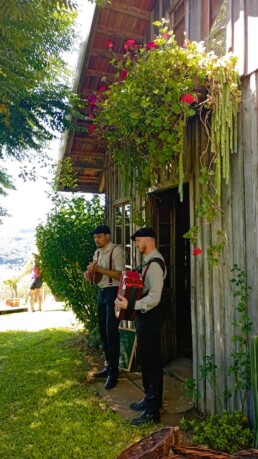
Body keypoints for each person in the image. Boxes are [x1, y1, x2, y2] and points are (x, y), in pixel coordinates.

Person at [115, 227, 166, 425]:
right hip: (144, 317)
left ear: (148, 240)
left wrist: (132, 305)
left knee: (152, 363)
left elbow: (154, 297)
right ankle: (149, 399)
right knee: (146, 360)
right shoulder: (147, 263)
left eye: (137, 241)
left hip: (151, 317)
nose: (136, 245)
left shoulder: (155, 264)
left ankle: (153, 411)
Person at [84, 225, 125, 390]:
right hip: (102, 292)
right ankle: (108, 368)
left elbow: (121, 274)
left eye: (99, 236)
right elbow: (98, 276)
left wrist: (99, 269)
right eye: (95, 237)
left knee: (111, 332)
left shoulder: (116, 250)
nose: (96, 239)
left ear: (107, 236)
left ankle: (114, 373)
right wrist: (90, 275)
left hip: (113, 292)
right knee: (103, 332)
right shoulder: (97, 253)